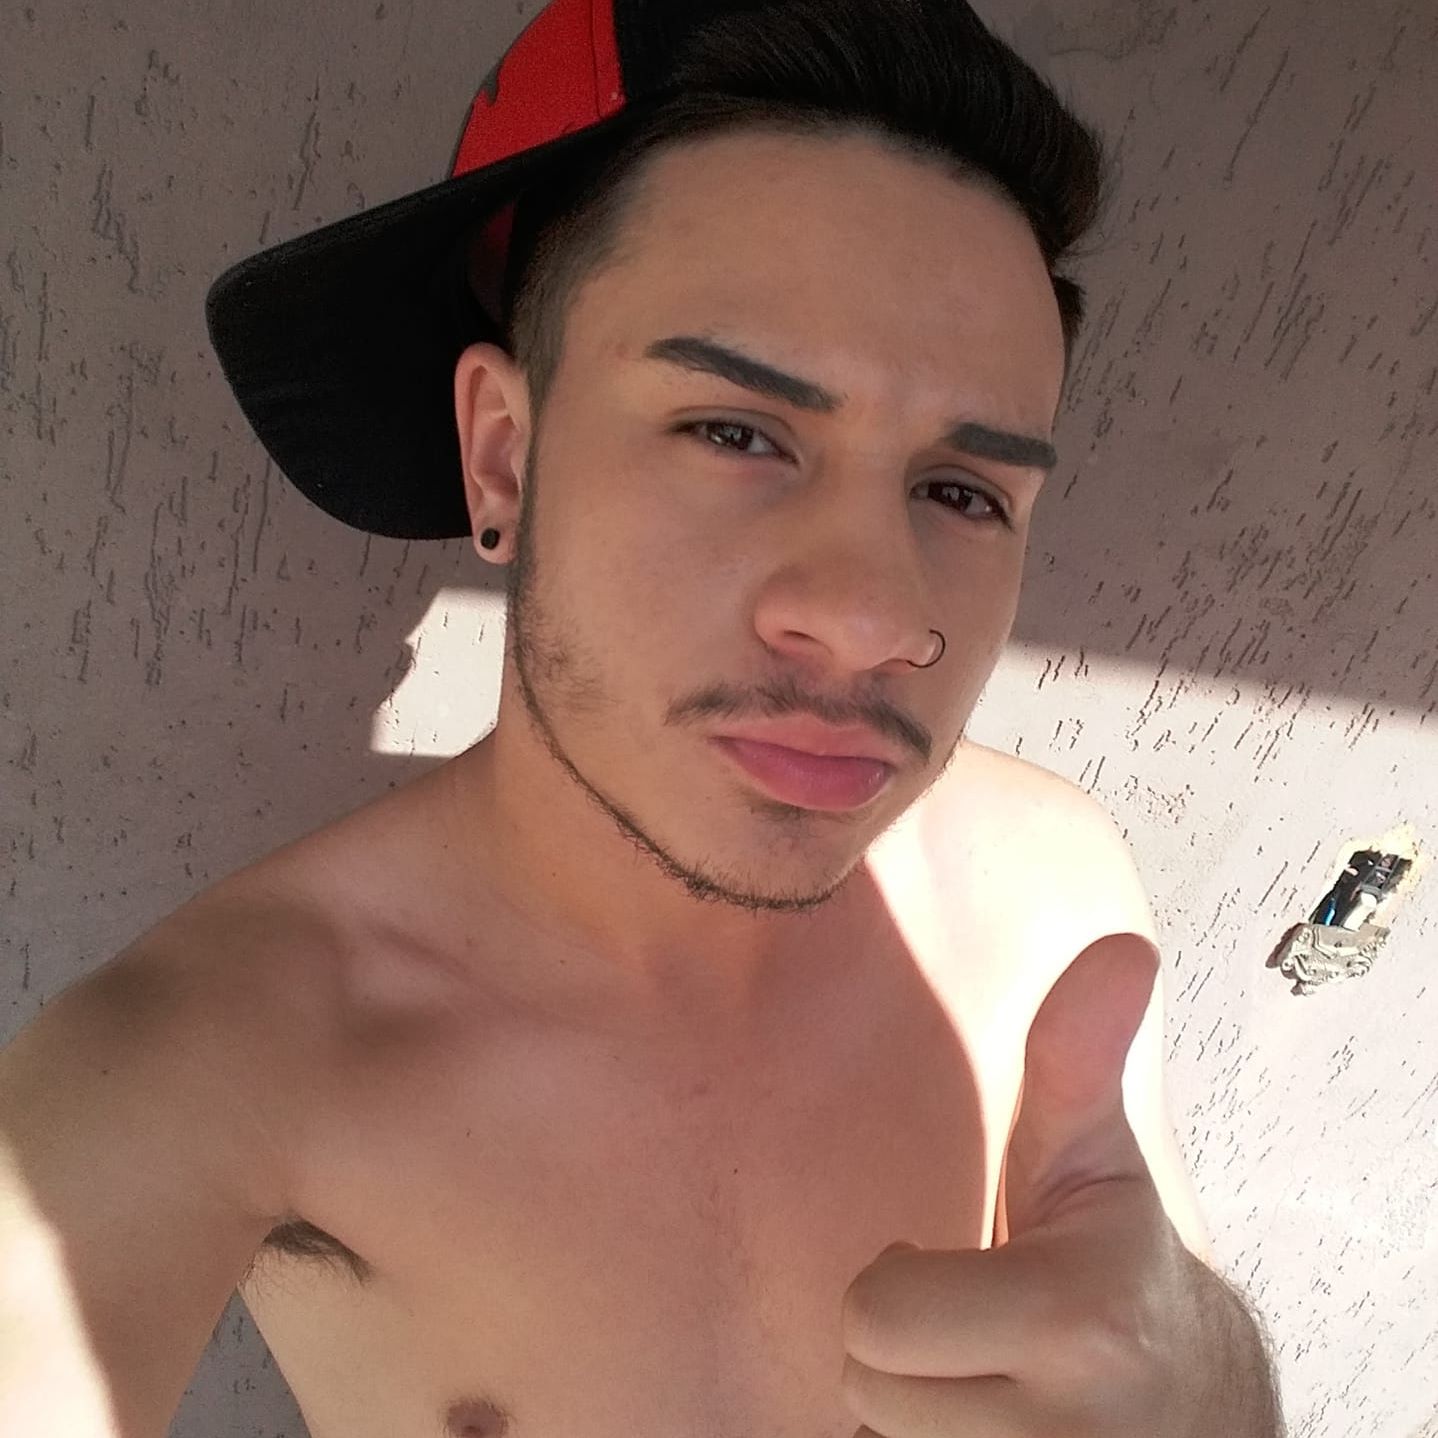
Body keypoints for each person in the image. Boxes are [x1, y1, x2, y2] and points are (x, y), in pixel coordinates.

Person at [0, 0, 1284, 1435]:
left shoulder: (1049, 895)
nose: (872, 618)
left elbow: (1148, 1305)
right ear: (504, 455)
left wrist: (1208, 1386)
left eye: (962, 491)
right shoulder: (221, 1052)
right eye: (736, 432)